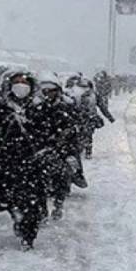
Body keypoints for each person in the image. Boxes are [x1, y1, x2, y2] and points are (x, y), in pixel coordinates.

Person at [0, 70, 46, 249]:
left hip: (32, 162)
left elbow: (46, 131)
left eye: (25, 82)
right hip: (6, 161)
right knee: (11, 198)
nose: (21, 85)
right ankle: (18, 217)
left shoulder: (38, 108)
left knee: (32, 202)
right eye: (17, 81)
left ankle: (28, 235)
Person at [32, 73, 83, 221]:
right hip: (41, 151)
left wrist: (69, 151)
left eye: (51, 90)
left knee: (61, 179)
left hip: (62, 150)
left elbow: (73, 131)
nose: (48, 93)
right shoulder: (36, 108)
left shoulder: (67, 107)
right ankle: (42, 211)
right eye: (45, 90)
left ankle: (58, 205)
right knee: (38, 182)